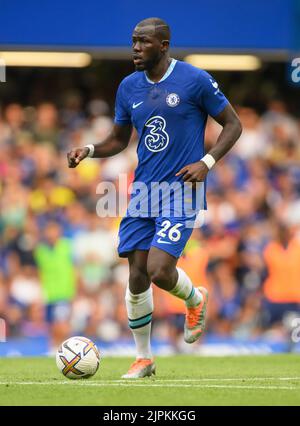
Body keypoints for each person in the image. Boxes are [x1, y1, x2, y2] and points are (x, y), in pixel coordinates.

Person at [67, 17, 242, 378]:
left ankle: (195, 299)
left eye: (143, 42)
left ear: (163, 45)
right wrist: (88, 148)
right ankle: (144, 358)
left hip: (182, 189)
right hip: (144, 192)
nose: (135, 48)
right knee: (135, 277)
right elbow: (118, 140)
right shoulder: (129, 86)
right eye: (133, 41)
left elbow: (233, 124)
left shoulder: (194, 80)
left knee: (159, 270)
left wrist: (207, 162)